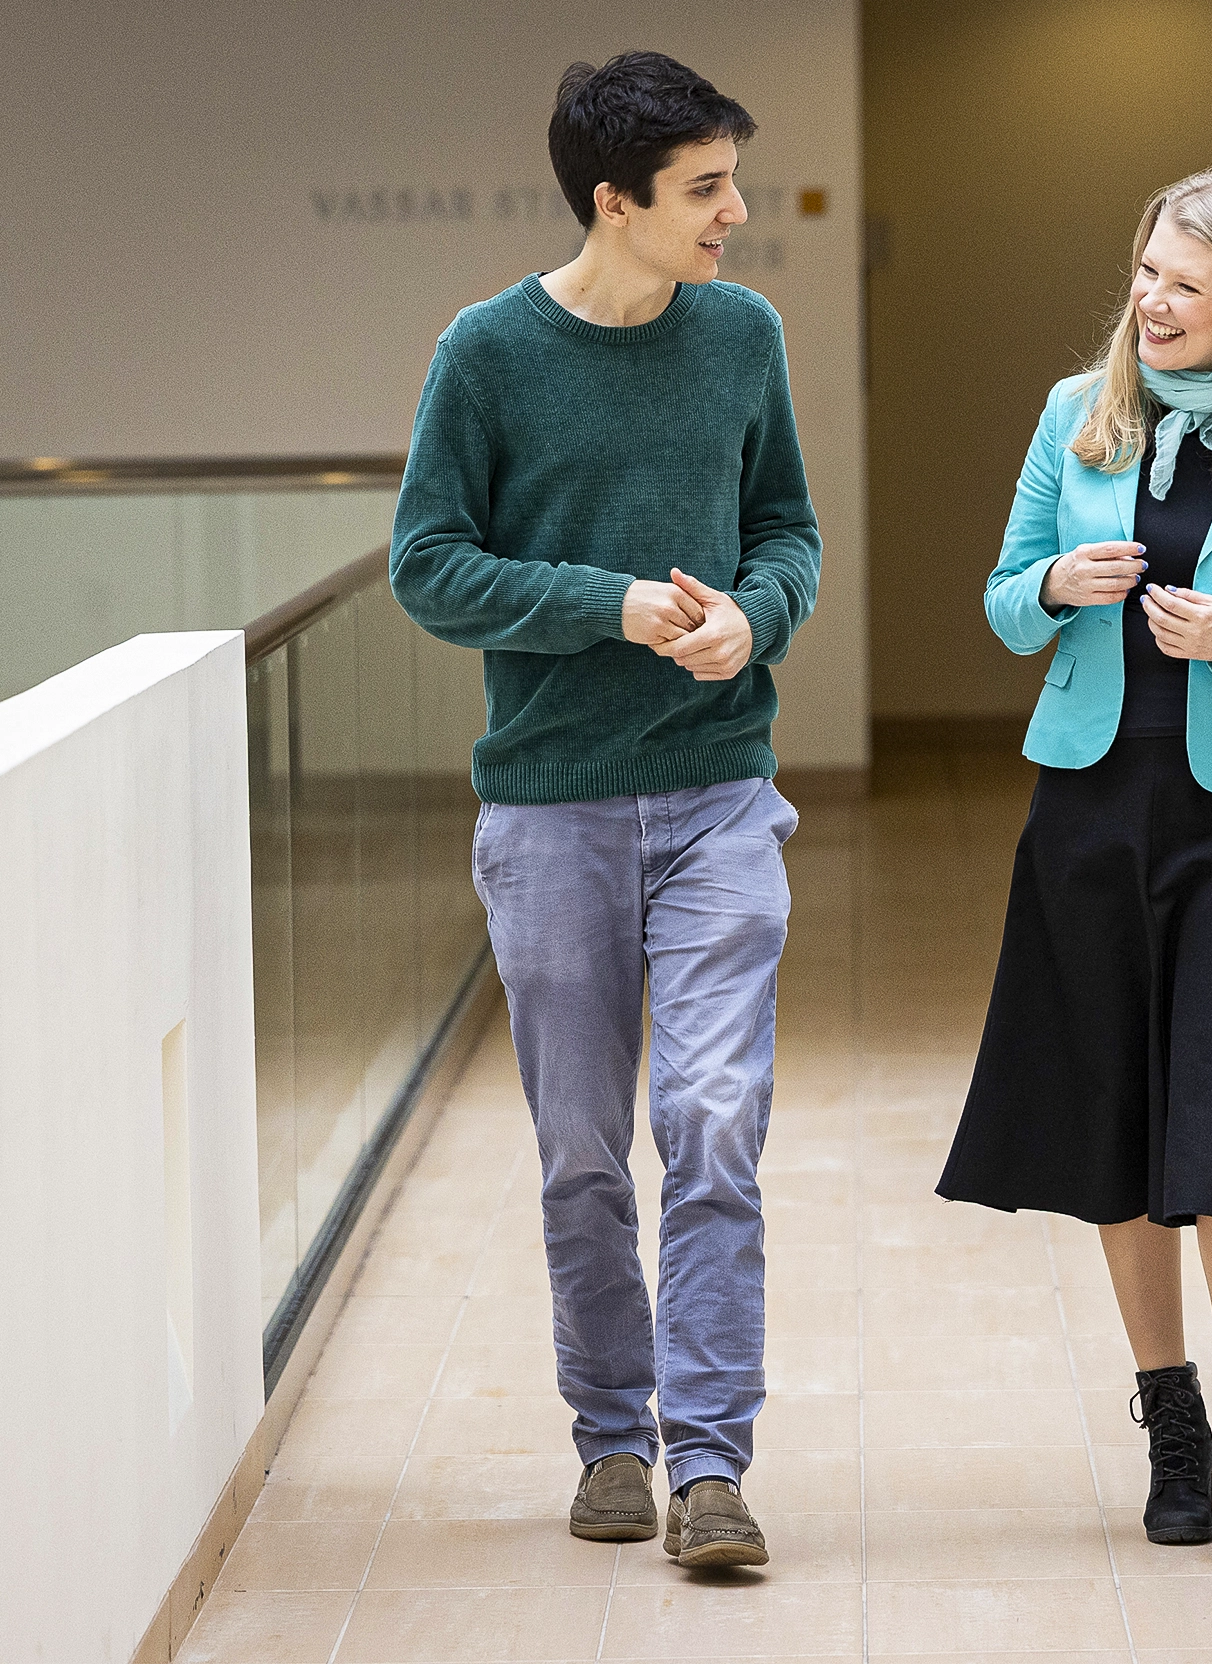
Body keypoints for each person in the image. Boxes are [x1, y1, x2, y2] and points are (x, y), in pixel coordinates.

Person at [389, 50, 820, 1569]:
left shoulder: (743, 337)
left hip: (718, 796)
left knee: (709, 1122)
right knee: (582, 1149)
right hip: (552, 812)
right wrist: (613, 603)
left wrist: (752, 622)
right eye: (706, 189)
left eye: (730, 182)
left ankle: (710, 1466)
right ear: (613, 200)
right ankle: (610, 1440)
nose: (735, 213)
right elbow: (429, 565)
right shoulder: (488, 353)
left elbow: (789, 533)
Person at [936, 170, 1212, 1549]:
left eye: (1182, 285)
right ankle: (1170, 1422)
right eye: (1142, 274)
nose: (1150, 302)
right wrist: (1058, 590)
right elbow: (1007, 605)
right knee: (1120, 1111)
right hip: (1086, 808)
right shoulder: (1075, 419)